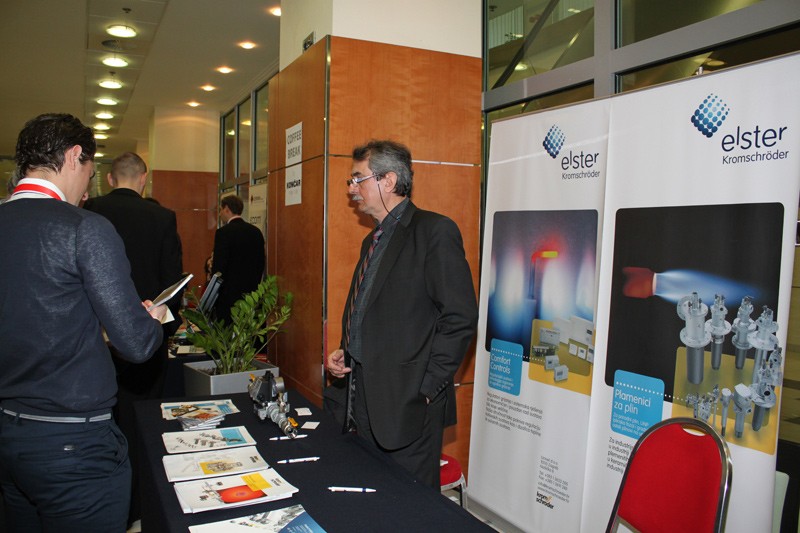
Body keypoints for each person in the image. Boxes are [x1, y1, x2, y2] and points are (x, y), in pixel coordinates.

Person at [0, 113, 167, 532]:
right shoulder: (84, 228)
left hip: (8, 435)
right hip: (72, 444)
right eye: (90, 173)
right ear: (76, 156)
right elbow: (135, 344)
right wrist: (151, 320)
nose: (87, 189)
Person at [325, 140, 478, 490]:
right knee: (370, 495)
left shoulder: (434, 231)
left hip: (408, 404)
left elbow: (460, 317)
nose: (351, 188)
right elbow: (380, 312)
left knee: (409, 504)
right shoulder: (372, 241)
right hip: (361, 397)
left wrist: (427, 388)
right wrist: (348, 350)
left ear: (389, 181)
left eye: (358, 178)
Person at [83, 151, 184, 527]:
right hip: (145, 339)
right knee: (142, 424)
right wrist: (163, 332)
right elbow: (172, 283)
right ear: (144, 179)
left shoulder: (89, 211)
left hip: (93, 342)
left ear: (109, 179)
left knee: (100, 425)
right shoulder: (162, 217)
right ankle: (139, 508)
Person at [211, 194, 265, 323]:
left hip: (228, 298)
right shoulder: (256, 232)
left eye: (221, 210)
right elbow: (261, 263)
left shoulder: (223, 233)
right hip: (251, 295)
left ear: (227, 209)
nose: (220, 214)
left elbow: (219, 268)